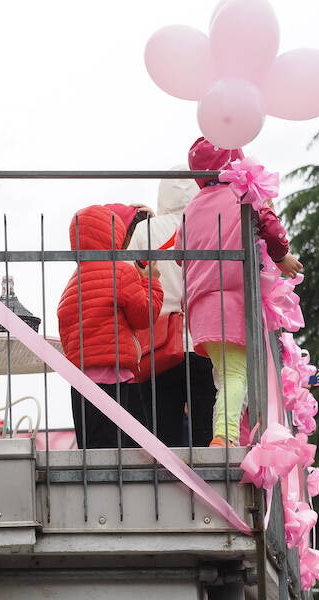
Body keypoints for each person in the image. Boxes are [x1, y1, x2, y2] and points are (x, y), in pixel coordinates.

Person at [177, 138, 302, 447]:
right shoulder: (243, 194)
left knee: (225, 374)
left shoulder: (192, 207)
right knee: (236, 374)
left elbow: (179, 253)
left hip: (199, 303)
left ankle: (229, 432)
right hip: (233, 298)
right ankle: (226, 437)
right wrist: (281, 255)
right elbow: (271, 228)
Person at [58, 204, 164, 449]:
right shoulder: (121, 273)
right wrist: (152, 282)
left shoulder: (72, 284)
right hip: (114, 376)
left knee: (92, 451)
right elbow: (144, 316)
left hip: (81, 379)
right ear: (114, 233)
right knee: (120, 451)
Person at [127, 167, 216, 447]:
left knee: (161, 434)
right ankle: (209, 486)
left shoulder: (147, 230)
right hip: (205, 338)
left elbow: (131, 276)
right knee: (206, 429)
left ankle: (165, 487)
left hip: (159, 342)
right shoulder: (212, 224)